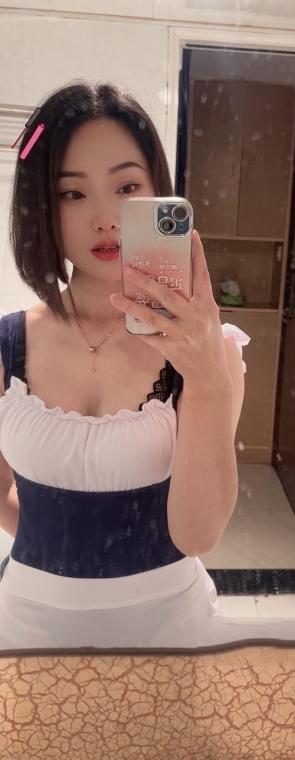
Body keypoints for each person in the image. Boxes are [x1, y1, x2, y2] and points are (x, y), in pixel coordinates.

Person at [0, 81, 251, 651]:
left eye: (127, 187)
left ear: (157, 193)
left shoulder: (212, 353)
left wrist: (207, 376)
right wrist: (57, 551)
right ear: (40, 207)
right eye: (72, 193)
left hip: (168, 636)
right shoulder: (7, 343)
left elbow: (198, 533)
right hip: (26, 630)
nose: (105, 217)